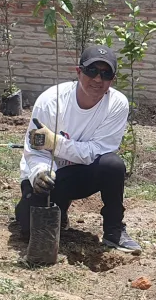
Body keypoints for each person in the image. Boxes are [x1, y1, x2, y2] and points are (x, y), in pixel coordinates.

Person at [15, 45, 141, 255]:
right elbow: (36, 151)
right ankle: (57, 207)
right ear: (78, 71)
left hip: (82, 173)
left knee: (113, 165)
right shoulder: (51, 101)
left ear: (113, 79)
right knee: (27, 227)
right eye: (92, 71)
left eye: (106, 74)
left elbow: (97, 152)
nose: (98, 80)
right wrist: (40, 174)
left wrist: (55, 142)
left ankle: (114, 231)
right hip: (47, 172)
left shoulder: (116, 104)